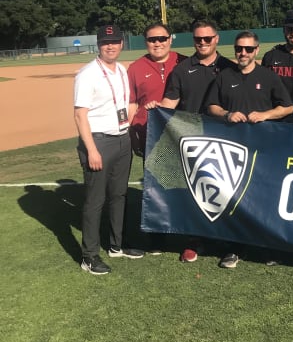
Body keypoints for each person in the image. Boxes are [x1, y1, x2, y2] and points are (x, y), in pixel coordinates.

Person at [207, 31, 293, 268]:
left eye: (247, 49)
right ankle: (233, 249)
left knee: (264, 199)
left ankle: (267, 247)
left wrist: (265, 115)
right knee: (235, 198)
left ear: (256, 50)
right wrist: (227, 113)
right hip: (233, 150)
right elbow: (212, 106)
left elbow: (287, 107)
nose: (242, 53)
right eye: (238, 49)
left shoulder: (268, 76)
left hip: (264, 150)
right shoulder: (224, 76)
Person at [73, 23, 144, 274]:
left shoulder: (122, 71)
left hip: (122, 138)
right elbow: (80, 115)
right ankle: (89, 256)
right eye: (105, 42)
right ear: (99, 45)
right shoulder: (87, 74)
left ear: (122, 44)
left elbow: (127, 105)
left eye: (114, 42)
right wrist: (91, 150)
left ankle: (117, 245)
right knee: (95, 201)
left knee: (119, 195)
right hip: (99, 141)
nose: (110, 46)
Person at [127, 23, 185, 155]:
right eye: (152, 40)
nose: (157, 43)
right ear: (146, 42)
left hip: (180, 134)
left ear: (170, 39)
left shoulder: (184, 62)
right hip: (148, 134)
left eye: (162, 39)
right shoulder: (135, 68)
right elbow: (132, 103)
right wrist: (132, 135)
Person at [160, 19, 231, 113]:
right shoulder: (181, 69)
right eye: (198, 39)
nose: (202, 42)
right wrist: (158, 109)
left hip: (220, 126)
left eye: (207, 38)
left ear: (217, 38)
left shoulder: (229, 68)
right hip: (192, 126)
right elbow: (171, 100)